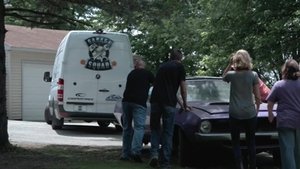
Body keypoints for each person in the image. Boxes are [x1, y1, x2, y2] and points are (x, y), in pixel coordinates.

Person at [148, 48, 189, 169]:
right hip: (168, 104)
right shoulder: (179, 67)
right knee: (168, 132)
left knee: (155, 129)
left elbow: (165, 88)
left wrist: (181, 104)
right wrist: (185, 104)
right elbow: (182, 88)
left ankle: (154, 154)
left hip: (155, 101)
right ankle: (165, 162)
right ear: (180, 58)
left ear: (170, 57)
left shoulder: (162, 67)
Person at [222, 49, 261, 169]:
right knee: (251, 142)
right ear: (248, 60)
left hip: (235, 113)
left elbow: (223, 77)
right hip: (250, 113)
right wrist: (257, 109)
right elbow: (258, 96)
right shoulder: (253, 75)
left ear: (235, 61)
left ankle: (239, 166)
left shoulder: (231, 75)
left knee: (236, 143)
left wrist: (229, 64)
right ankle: (252, 166)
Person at [266, 59, 300, 169]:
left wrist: (270, 114)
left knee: (287, 150)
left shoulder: (279, 85)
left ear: (284, 70)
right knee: (298, 150)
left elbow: (270, 102)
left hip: (285, 121)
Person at [120, 58, 155, 162]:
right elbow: (155, 85)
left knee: (127, 128)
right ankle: (135, 152)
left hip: (126, 102)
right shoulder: (148, 74)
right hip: (139, 103)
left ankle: (125, 154)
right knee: (139, 128)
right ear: (143, 66)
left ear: (135, 66)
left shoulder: (131, 74)